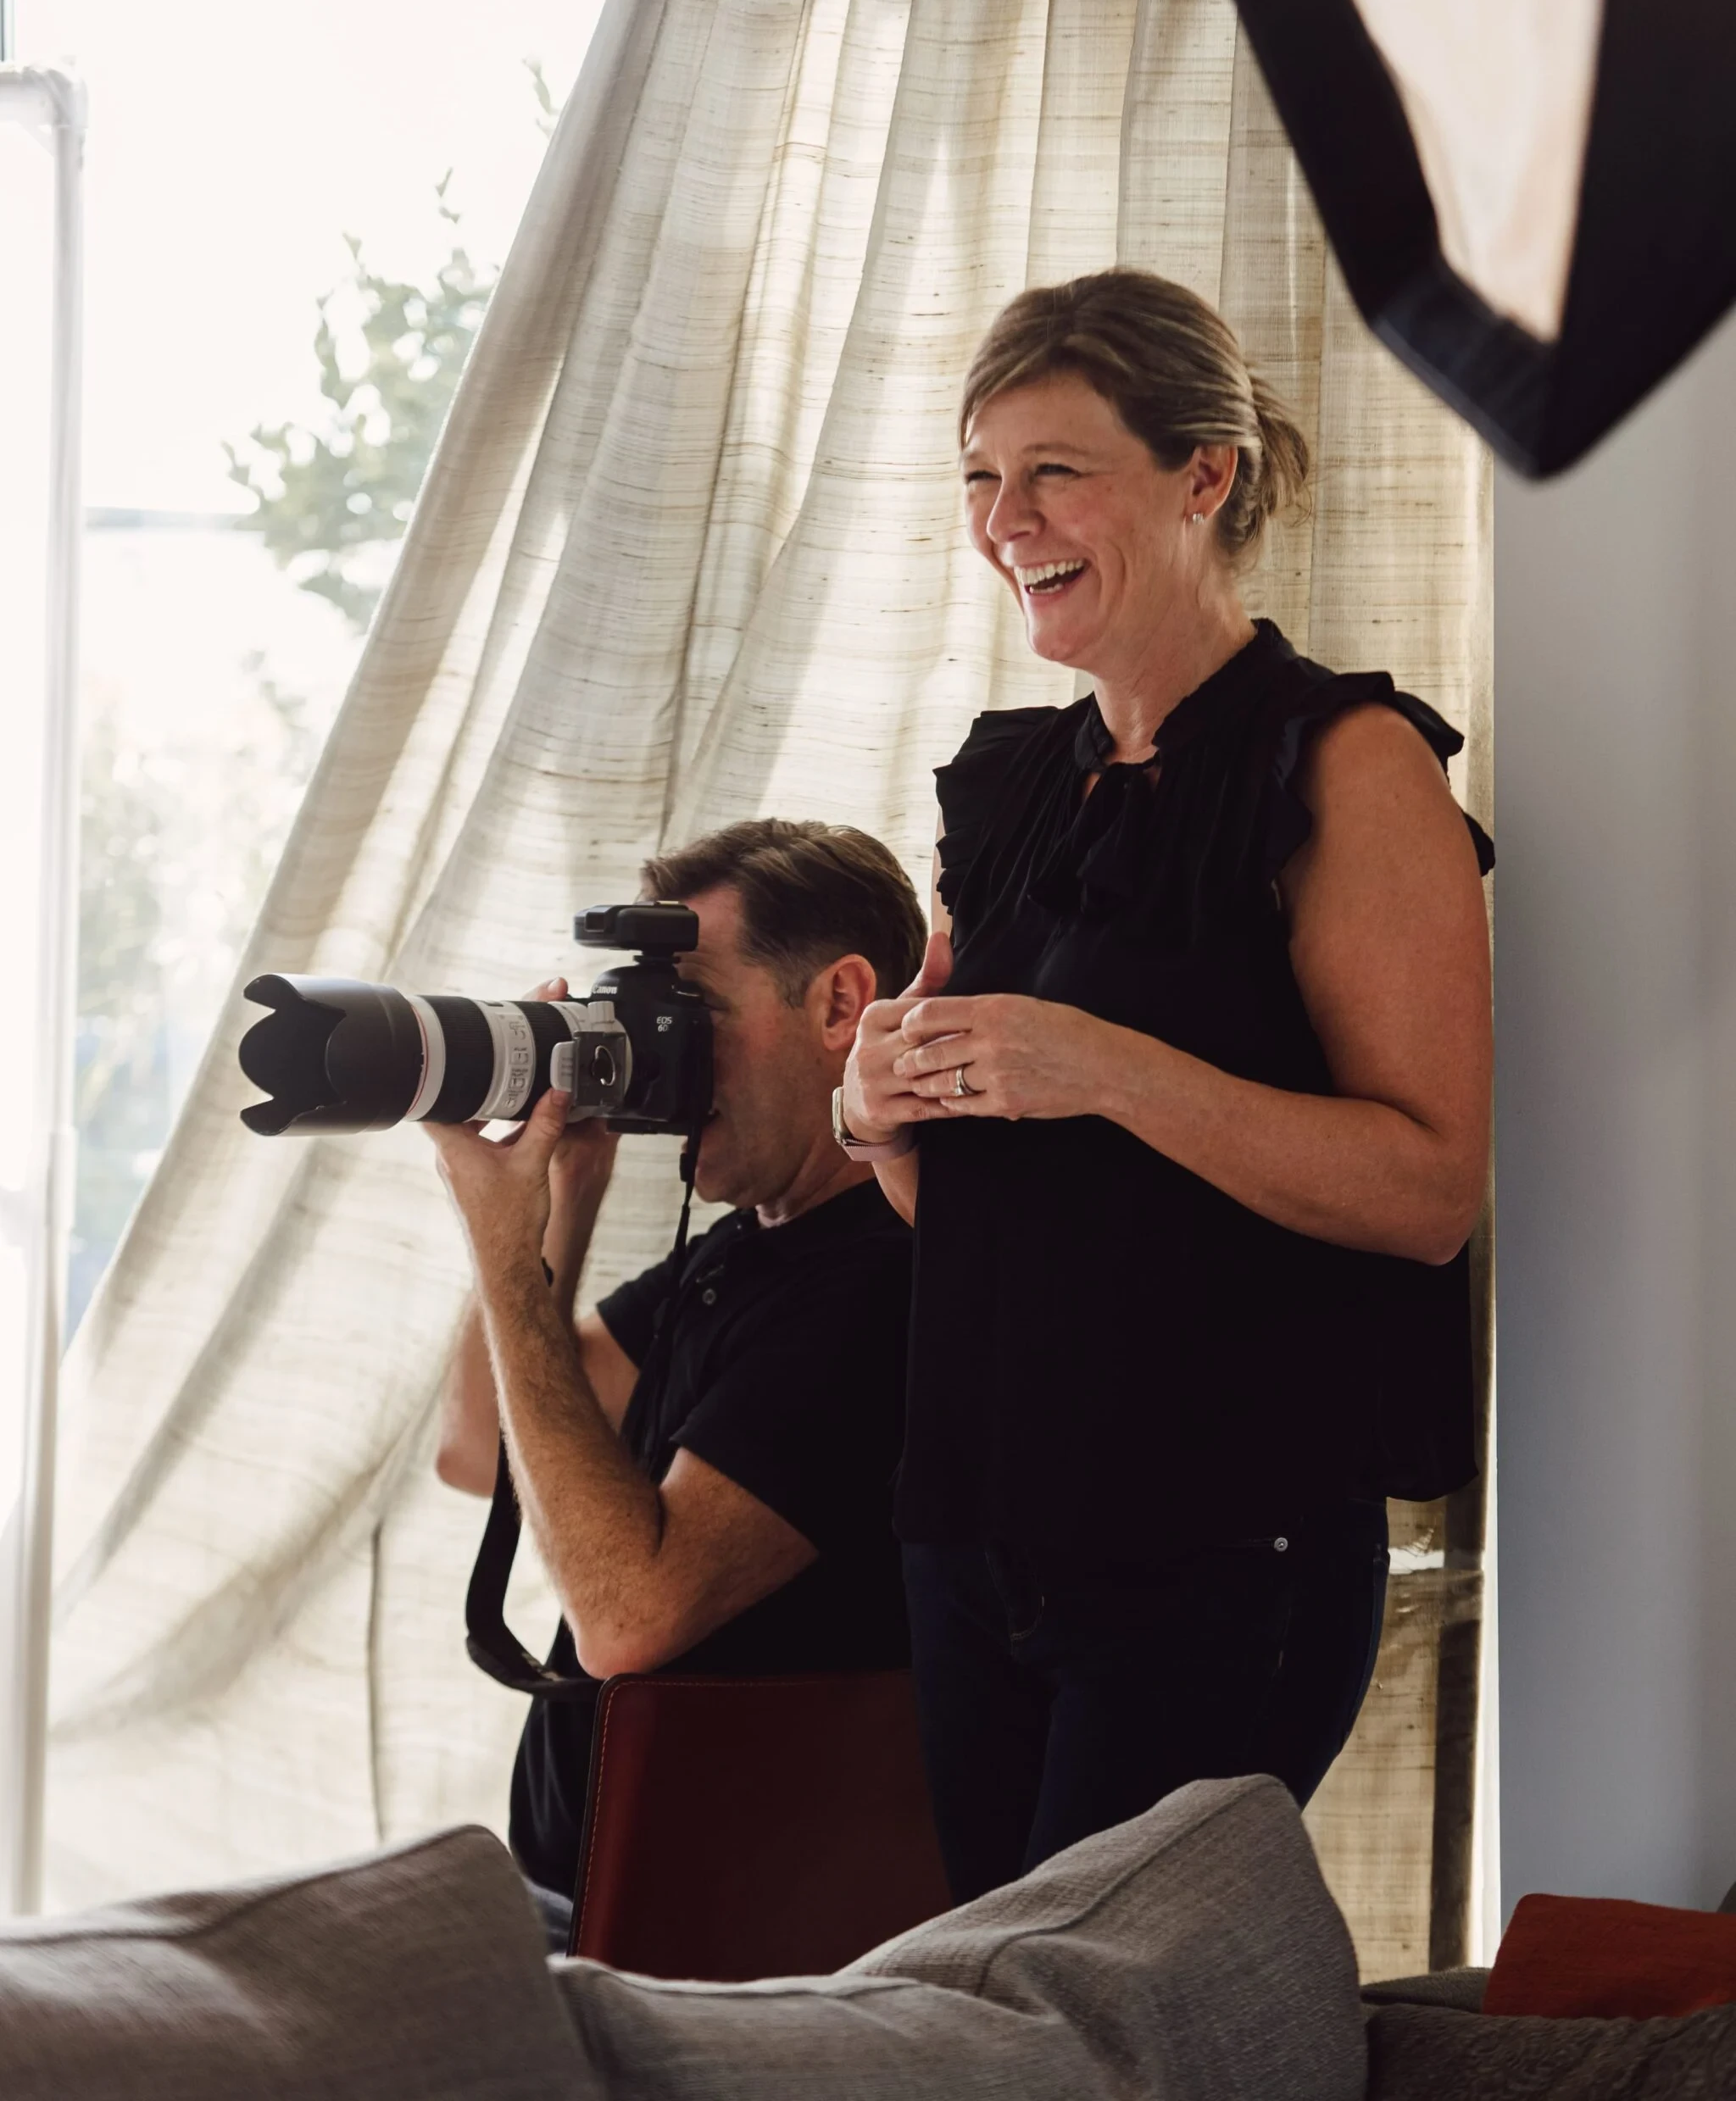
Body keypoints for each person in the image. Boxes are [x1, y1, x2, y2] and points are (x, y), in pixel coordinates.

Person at [838, 268, 1495, 1903]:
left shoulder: (1347, 765)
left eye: (1055, 471)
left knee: (1093, 2017)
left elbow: (1427, 1193)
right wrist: (877, 1108)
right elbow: (970, 1205)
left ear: (1205, 474)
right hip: (975, 1537)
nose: (1008, 522)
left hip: (1224, 1548)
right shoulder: (1008, 790)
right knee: (993, 2010)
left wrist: (1110, 1069)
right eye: (982, 478)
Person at [431, 819, 927, 1944]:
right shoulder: (743, 1253)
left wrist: (508, 1261)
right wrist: (564, 1191)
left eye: (692, 1010)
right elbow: (477, 1446)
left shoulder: (876, 1280)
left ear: (841, 1005)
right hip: (596, 1908)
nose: (667, 1053)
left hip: (720, 1946)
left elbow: (627, 1616)